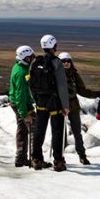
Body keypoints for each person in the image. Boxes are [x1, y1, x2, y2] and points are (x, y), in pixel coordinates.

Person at [29, 34, 70, 171]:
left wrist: (36, 99)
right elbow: (62, 86)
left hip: (41, 101)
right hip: (55, 103)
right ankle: (58, 161)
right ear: (54, 46)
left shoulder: (35, 62)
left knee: (39, 131)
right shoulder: (56, 62)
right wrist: (65, 105)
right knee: (57, 131)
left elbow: (31, 84)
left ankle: (36, 159)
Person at [59, 51, 100, 165]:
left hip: (73, 106)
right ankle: (58, 157)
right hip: (59, 107)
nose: (66, 63)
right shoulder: (56, 75)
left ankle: (82, 155)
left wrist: (99, 94)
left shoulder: (74, 75)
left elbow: (82, 90)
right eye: (63, 61)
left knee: (77, 132)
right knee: (59, 132)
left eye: (68, 61)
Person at [9, 45, 36, 167]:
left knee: (23, 130)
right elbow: (20, 95)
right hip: (22, 104)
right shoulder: (21, 72)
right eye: (30, 57)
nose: (32, 59)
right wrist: (25, 114)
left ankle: (21, 158)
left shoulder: (20, 67)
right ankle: (34, 158)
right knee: (33, 129)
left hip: (20, 102)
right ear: (25, 58)